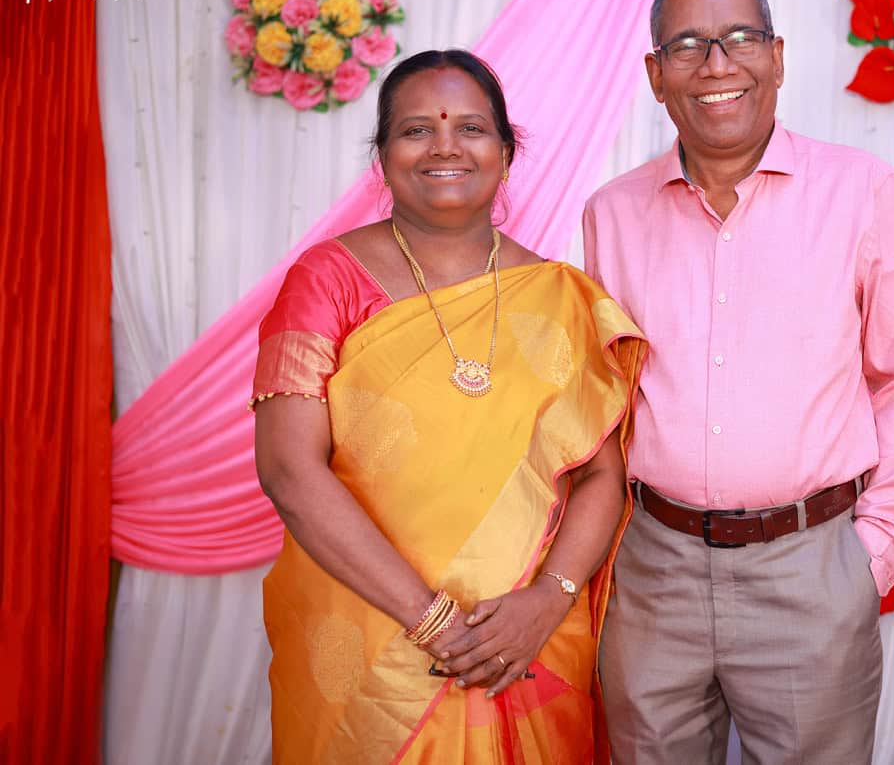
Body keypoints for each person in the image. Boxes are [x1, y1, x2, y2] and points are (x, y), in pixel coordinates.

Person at [583, 0, 894, 764]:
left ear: (777, 57)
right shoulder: (610, 213)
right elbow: (599, 403)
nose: (717, 63)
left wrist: (869, 556)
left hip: (810, 565)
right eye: (686, 44)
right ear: (654, 74)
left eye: (740, 38)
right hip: (653, 569)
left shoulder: (860, 191)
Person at [252, 49, 646, 764]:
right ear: (381, 152)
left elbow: (600, 474)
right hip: (368, 632)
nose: (444, 146)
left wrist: (547, 601)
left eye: (470, 128)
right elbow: (288, 469)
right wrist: (431, 619)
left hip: (524, 641)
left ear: (505, 150)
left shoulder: (561, 295)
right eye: (414, 130)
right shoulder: (325, 281)